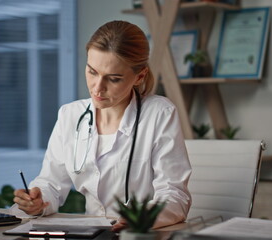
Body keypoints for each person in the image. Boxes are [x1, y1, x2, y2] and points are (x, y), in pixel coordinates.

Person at [13, 20, 191, 231]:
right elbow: (51, 183)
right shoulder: (70, 115)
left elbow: (175, 195)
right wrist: (37, 200)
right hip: (89, 234)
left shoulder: (160, 113)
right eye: (92, 72)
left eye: (113, 79)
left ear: (139, 76)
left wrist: (142, 218)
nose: (98, 88)